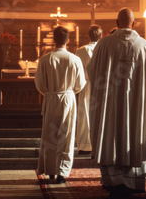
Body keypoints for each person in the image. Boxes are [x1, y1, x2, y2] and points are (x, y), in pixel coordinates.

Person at [87, 8, 146, 197]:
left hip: (111, 106)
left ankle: (113, 181)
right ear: (133, 24)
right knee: (134, 132)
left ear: (117, 23)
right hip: (136, 105)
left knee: (111, 134)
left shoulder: (104, 44)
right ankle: (133, 182)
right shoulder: (145, 46)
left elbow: (92, 71)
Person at [35, 26, 86, 184]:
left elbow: (39, 84)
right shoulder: (74, 59)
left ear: (54, 40)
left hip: (51, 99)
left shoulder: (45, 59)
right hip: (67, 99)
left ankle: (50, 170)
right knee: (66, 135)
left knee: (50, 134)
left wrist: (50, 94)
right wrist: (69, 92)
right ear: (68, 40)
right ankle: (62, 172)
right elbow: (80, 84)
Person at [75, 25, 103, 155]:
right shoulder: (103, 48)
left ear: (88, 35)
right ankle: (99, 145)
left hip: (85, 84)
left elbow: (77, 71)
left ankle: (85, 146)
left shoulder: (80, 51)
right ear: (101, 36)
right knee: (99, 114)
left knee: (84, 114)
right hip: (101, 85)